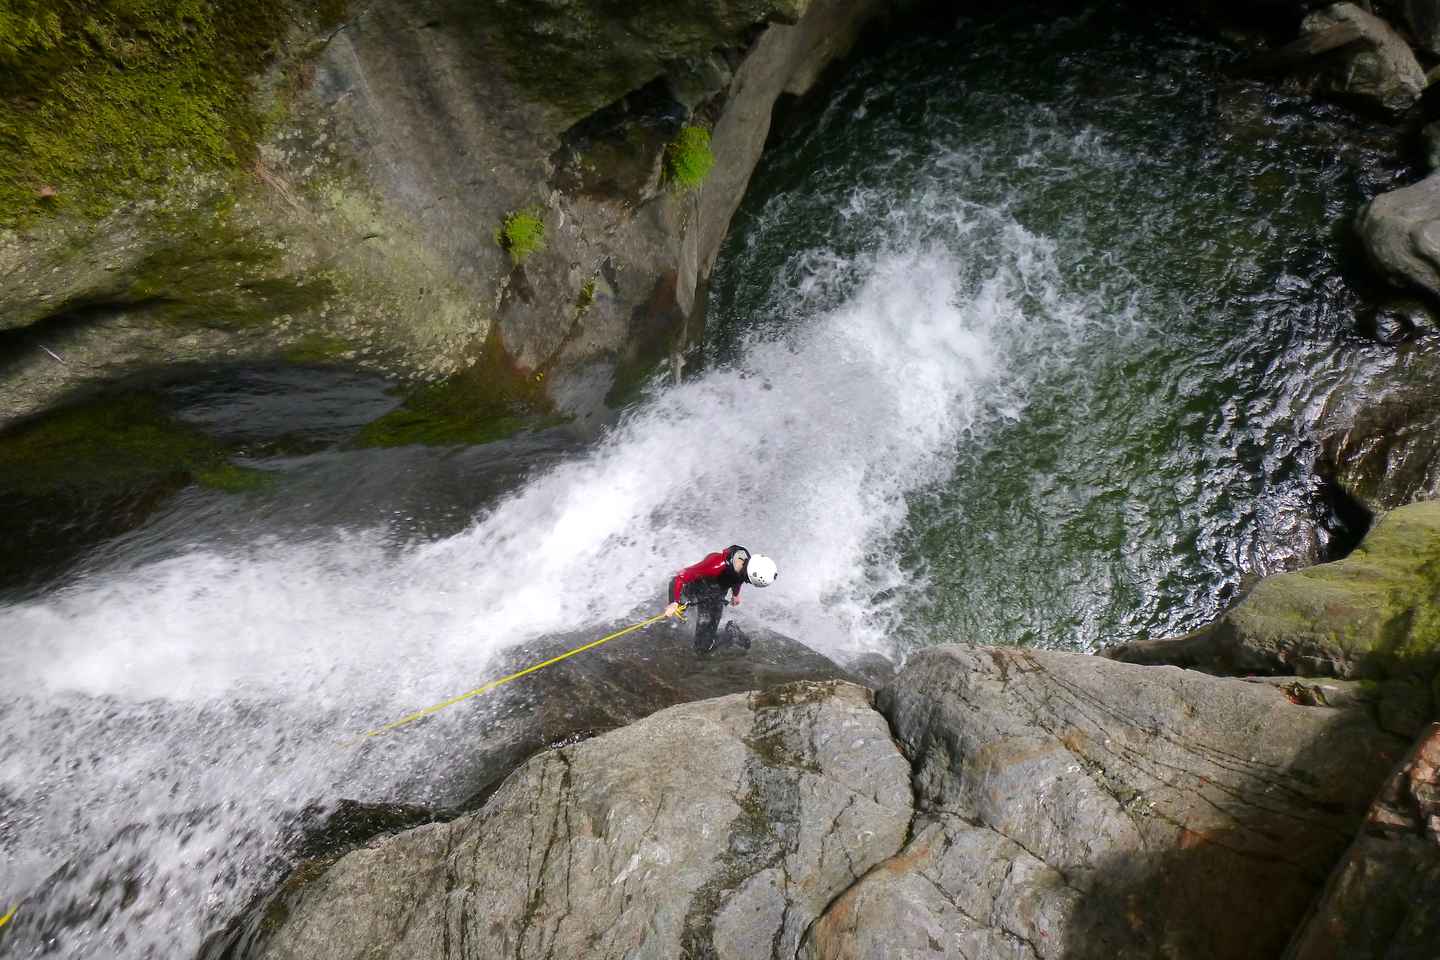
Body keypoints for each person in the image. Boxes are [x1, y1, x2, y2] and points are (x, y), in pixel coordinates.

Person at [664, 545, 778, 654]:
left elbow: (738, 578)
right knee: (680, 609)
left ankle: (731, 633)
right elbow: (678, 578)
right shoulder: (715, 565)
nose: (747, 582)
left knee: (702, 648)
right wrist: (673, 602)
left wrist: (735, 594)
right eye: (748, 581)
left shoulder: (745, 563)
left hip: (714, 599)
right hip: (697, 586)